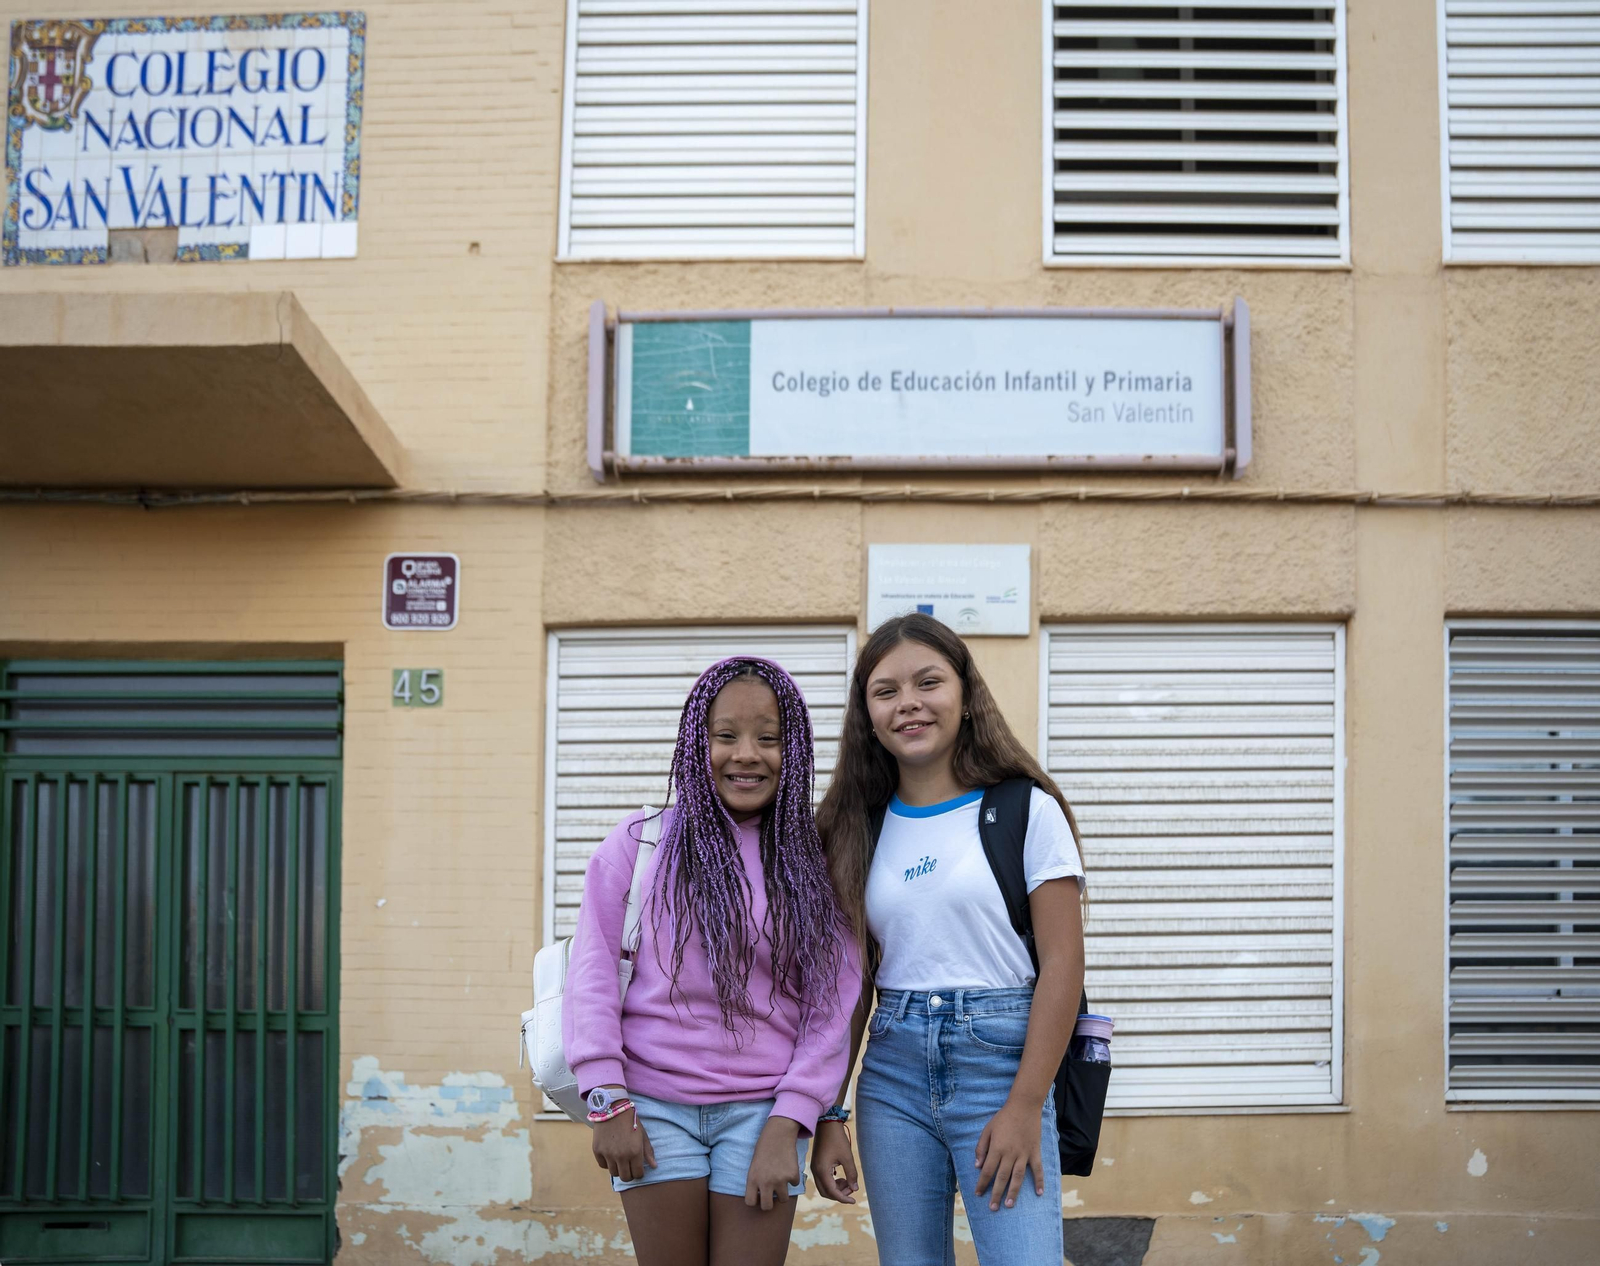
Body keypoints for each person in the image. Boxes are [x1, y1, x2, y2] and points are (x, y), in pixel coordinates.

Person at [562, 657, 861, 1266]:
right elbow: (590, 974)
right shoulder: (640, 843)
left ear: (795, 748)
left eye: (769, 738)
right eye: (725, 735)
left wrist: (795, 1121)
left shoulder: (816, 861)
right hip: (651, 1109)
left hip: (764, 1113)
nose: (745, 754)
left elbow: (831, 1008)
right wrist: (606, 1099)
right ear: (697, 744)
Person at [810, 614, 1086, 1265]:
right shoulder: (855, 829)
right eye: (887, 691)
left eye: (928, 682)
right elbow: (848, 987)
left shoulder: (1025, 809)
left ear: (964, 694)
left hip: (1003, 1064)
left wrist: (1024, 1104)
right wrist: (829, 1113)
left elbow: (1063, 964)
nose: (909, 702)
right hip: (892, 1074)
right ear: (868, 714)